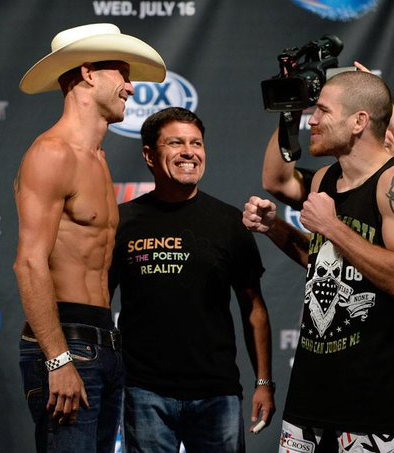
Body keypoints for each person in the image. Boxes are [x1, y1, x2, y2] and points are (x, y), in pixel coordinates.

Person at [260, 64, 394, 453]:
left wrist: (332, 226)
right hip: (312, 394)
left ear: (359, 122)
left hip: (377, 402)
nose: (312, 120)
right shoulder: (324, 180)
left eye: (322, 111)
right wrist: (275, 229)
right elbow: (327, 265)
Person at [12, 23, 166, 452]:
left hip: (104, 343)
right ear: (87, 73)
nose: (131, 88)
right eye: (123, 74)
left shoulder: (97, 158)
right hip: (66, 343)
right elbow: (29, 263)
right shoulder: (53, 153)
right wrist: (58, 359)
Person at [109, 107, 275, 453]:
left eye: (196, 143)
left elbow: (254, 308)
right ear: (149, 155)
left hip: (216, 393)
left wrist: (264, 382)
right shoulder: (122, 222)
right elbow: (100, 300)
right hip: (144, 390)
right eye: (176, 143)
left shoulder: (229, 222)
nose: (189, 152)